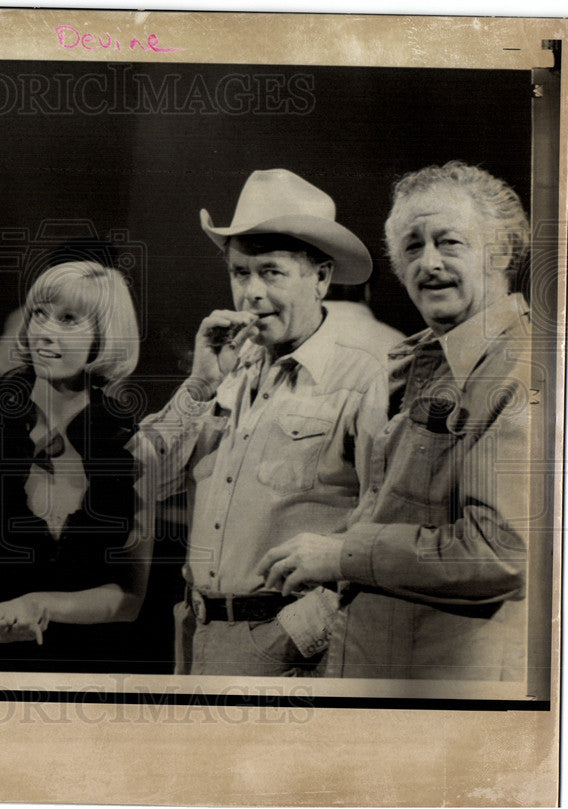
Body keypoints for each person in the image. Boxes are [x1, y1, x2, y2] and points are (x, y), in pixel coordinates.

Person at [257, 161, 532, 681]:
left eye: (449, 242)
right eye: (411, 246)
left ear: (501, 252)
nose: (428, 263)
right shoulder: (426, 361)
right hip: (384, 669)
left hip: (446, 694)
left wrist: (342, 555)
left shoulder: (521, 370)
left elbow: (500, 552)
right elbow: (392, 514)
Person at [140, 168, 390, 676]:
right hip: (196, 640)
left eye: (271, 272)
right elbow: (142, 481)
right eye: (240, 273)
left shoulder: (364, 380)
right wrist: (198, 386)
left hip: (291, 657)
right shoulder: (227, 369)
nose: (250, 292)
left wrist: (295, 636)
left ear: (320, 278)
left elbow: (386, 532)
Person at [0, 260, 154, 672]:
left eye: (67, 319)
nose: (45, 331)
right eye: (39, 314)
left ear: (103, 336)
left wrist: (40, 604)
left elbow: (130, 598)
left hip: (92, 669)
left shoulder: (136, 450)